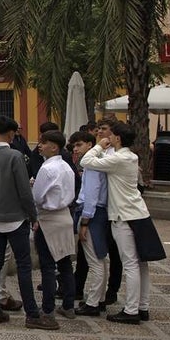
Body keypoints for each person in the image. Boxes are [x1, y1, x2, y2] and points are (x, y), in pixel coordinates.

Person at [80, 121, 162, 324]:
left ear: (117, 138)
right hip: (139, 212)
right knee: (141, 263)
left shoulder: (118, 158)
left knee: (131, 263)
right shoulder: (131, 157)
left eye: (111, 135)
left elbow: (86, 160)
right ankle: (142, 306)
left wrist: (99, 145)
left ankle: (132, 310)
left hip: (123, 216)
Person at [0, 116, 48, 328]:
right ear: (10, 133)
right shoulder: (15, 156)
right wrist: (33, 215)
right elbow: (25, 192)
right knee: (23, 265)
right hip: (15, 217)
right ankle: (32, 314)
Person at [32, 130, 77, 322]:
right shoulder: (66, 167)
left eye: (44, 142)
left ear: (54, 147)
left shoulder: (47, 168)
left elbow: (37, 197)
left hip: (49, 218)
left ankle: (48, 309)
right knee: (65, 263)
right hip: (65, 216)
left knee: (48, 265)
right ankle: (68, 305)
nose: (40, 145)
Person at [71, 131, 111, 316]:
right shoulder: (100, 162)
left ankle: (93, 302)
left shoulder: (93, 165)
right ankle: (99, 299)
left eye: (79, 145)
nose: (75, 149)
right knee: (100, 259)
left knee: (95, 260)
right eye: (74, 146)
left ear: (90, 145)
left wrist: (85, 222)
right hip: (98, 213)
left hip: (92, 214)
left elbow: (92, 194)